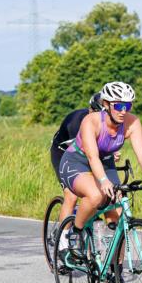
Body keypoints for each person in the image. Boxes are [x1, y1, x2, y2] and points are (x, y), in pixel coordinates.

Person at [57, 81, 142, 263]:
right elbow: (92, 157)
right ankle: (75, 232)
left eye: (128, 106)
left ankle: (116, 272)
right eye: (119, 106)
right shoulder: (91, 121)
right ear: (106, 104)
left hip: (105, 163)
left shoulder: (132, 122)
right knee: (96, 195)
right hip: (77, 161)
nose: (124, 111)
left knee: (120, 216)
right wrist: (103, 180)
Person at [50, 91, 102, 225]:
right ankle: (63, 238)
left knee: (98, 194)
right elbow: (86, 152)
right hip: (63, 153)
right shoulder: (77, 123)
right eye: (98, 114)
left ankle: (85, 222)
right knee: (71, 196)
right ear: (91, 110)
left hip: (87, 154)